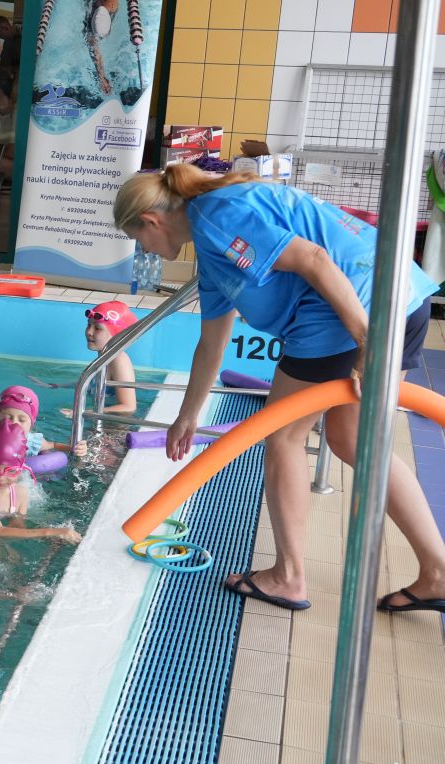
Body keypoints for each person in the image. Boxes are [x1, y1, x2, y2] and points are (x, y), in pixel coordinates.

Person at [114, 164, 444, 613]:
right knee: (358, 441)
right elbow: (212, 343)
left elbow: (314, 259)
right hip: (401, 296)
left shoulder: (213, 213)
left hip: (349, 314)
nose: (144, 249)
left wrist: (367, 339)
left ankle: (288, 577)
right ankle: (438, 573)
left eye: (138, 239)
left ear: (151, 221)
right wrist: (188, 415)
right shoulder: (213, 251)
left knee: (284, 436)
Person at [0, 421, 83, 543]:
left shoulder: (20, 494)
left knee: (13, 557)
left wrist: (51, 538)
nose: (1, 478)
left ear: (21, 468)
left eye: (11, 471)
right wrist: (49, 532)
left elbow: (18, 528)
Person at [0, 385, 87, 473]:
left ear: (31, 424)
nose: (15, 423)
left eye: (22, 420)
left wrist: (74, 448)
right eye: (8, 417)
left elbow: (53, 445)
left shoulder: (33, 441)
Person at [61, 300, 139, 417]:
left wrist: (80, 413)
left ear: (117, 334)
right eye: (89, 325)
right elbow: (92, 385)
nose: (89, 332)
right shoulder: (104, 356)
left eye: (97, 328)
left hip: (113, 424)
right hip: (102, 417)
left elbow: (128, 407)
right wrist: (59, 385)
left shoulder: (118, 360)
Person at [85, 0, 120, 95]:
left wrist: (101, 77)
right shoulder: (113, 5)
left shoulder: (113, 4)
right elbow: (95, 49)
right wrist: (101, 76)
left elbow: (94, 50)